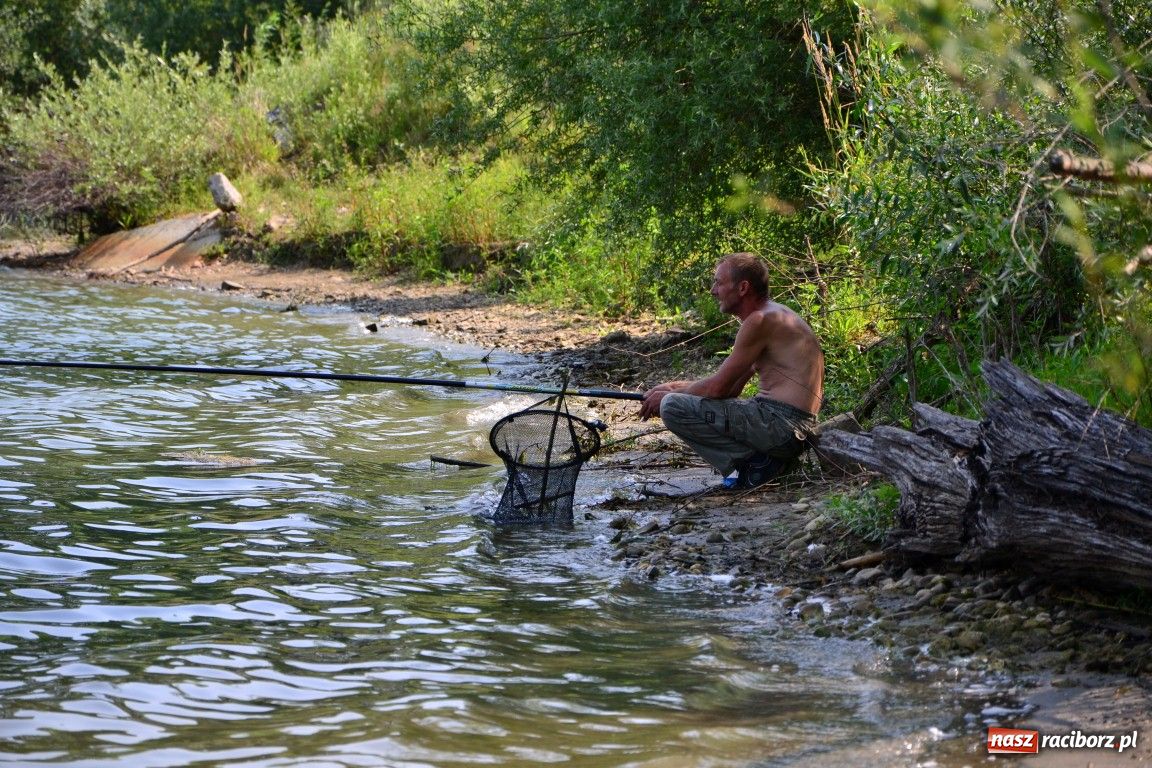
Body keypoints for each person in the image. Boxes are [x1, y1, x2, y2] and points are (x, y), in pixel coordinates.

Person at [639, 252, 824, 488]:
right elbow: (732, 387)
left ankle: (756, 466)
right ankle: (762, 463)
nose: (713, 290)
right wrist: (673, 386)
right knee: (673, 398)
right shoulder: (772, 316)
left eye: (718, 282)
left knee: (672, 406)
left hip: (782, 427)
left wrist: (669, 396)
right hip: (790, 427)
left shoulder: (759, 321)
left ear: (743, 287)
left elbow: (717, 389)